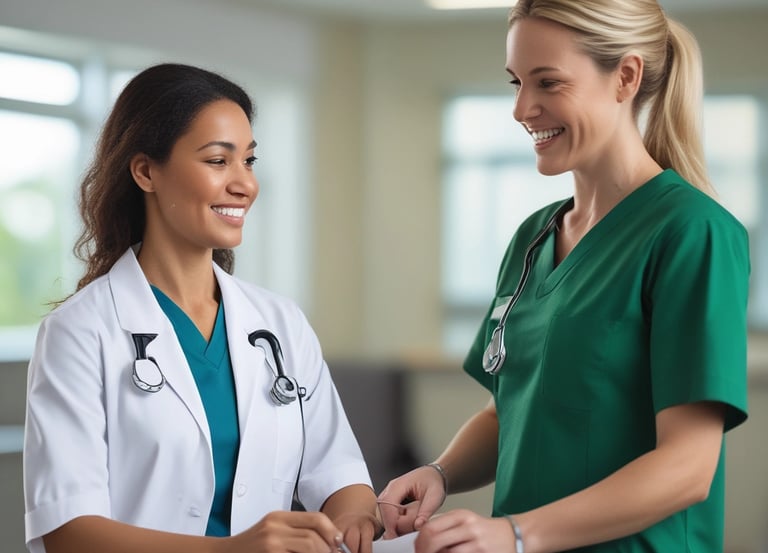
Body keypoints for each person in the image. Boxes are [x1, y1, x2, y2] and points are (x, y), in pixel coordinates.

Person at [377, 1, 750, 552]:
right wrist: (441, 473)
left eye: (548, 83)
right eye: (516, 82)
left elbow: (687, 468)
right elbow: (510, 409)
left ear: (625, 77)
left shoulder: (692, 231)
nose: (523, 108)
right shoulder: (535, 236)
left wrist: (517, 534)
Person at [23, 63, 381, 553]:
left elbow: (339, 473)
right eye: (218, 161)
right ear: (146, 171)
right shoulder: (80, 332)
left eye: (249, 162)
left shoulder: (279, 324)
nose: (245, 185)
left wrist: (356, 520)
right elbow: (69, 531)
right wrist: (232, 550)